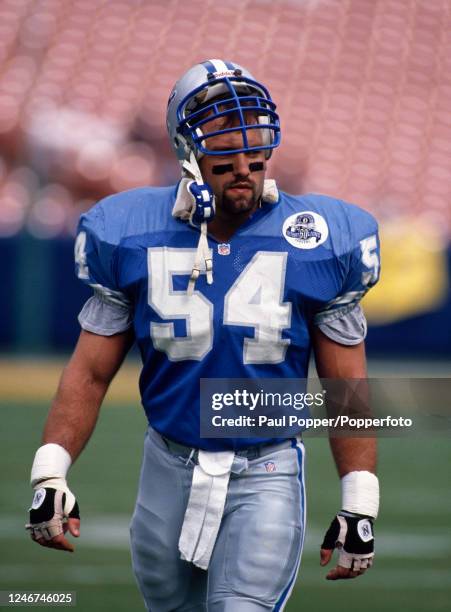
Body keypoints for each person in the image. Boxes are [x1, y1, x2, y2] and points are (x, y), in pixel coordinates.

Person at [26, 59, 381, 611]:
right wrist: (51, 472)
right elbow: (91, 372)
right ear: (189, 154)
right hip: (166, 465)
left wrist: (360, 500)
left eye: (255, 145)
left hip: (265, 469)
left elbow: (346, 391)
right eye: (224, 148)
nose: (245, 165)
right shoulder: (129, 230)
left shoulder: (323, 239)